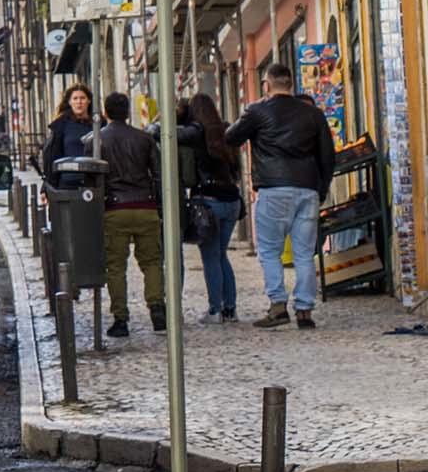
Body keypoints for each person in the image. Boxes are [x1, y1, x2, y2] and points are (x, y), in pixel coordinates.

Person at [223, 63, 338, 329]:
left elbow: (230, 137)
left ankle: (277, 306)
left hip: (273, 189)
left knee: (270, 250)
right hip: (307, 189)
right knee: (304, 253)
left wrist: (249, 115)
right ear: (290, 84)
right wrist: (320, 189)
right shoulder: (313, 114)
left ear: (267, 84)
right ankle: (305, 310)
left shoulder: (257, 111)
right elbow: (327, 156)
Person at [91, 93, 168, 337]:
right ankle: (157, 308)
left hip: (115, 210)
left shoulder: (95, 141)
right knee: (152, 262)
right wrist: (158, 205)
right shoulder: (144, 139)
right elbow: (158, 174)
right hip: (145, 207)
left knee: (116, 266)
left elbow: (94, 181)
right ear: (127, 112)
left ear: (105, 112)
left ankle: (121, 319)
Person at [179, 93, 242, 322]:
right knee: (221, 255)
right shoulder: (226, 131)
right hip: (232, 201)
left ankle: (215, 310)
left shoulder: (195, 133)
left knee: (211, 258)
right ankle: (230, 309)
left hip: (209, 201)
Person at [39, 85, 98, 182]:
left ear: (89, 101)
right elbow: (51, 156)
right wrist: (47, 186)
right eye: (75, 98)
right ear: (70, 102)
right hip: (68, 182)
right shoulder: (61, 125)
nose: (79, 102)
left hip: (95, 181)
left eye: (82, 98)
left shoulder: (99, 123)